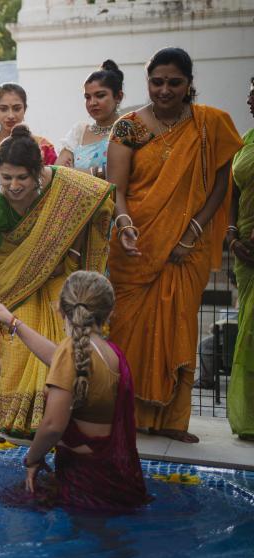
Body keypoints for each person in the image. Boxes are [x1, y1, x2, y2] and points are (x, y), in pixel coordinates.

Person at [106, 47, 243, 444]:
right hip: (136, 245)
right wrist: (126, 224)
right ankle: (125, 414)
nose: (164, 90)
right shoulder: (128, 128)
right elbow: (116, 190)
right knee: (126, 331)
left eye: (174, 82)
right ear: (147, 82)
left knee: (178, 327)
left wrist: (194, 232)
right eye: (156, 81)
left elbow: (221, 183)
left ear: (188, 84)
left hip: (187, 249)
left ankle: (171, 420)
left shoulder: (210, 125)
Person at [0, 124, 114, 437]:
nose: (14, 186)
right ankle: (26, 417)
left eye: (22, 177)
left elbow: (99, 201)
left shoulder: (62, 186)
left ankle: (70, 410)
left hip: (60, 273)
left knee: (71, 325)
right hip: (15, 279)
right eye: (6, 178)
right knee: (22, 328)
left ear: (39, 172)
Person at [0, 271, 149, 512]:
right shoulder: (109, 352)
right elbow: (59, 359)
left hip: (82, 479)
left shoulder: (71, 352)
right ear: (109, 312)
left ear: (60, 309)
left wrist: (31, 459)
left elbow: (52, 425)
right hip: (112, 474)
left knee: (0, 504)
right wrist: (13, 323)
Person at [228, 77, 254, 440]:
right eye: (250, 90)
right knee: (246, 333)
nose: (250, 98)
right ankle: (247, 420)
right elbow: (232, 190)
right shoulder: (246, 141)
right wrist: (231, 235)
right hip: (244, 248)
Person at [55, 61, 125, 179]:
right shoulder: (79, 132)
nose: (92, 103)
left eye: (100, 95)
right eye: (87, 97)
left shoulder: (127, 131)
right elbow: (58, 172)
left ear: (118, 96)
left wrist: (77, 172)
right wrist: (99, 172)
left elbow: (122, 172)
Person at [0, 83, 58, 166]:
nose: (11, 115)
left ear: (25, 109)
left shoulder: (44, 147)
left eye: (17, 109)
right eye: (3, 109)